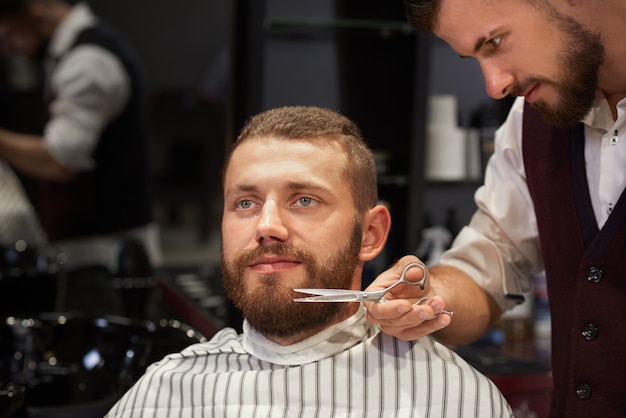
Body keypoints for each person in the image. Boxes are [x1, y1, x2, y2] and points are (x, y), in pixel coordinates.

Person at [104, 106, 513, 417]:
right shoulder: (165, 393)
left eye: (304, 200)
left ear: (370, 234)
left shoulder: (452, 398)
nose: (267, 226)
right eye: (245, 203)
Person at [364, 0, 626, 416]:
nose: (494, 86)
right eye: (474, 58)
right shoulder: (530, 123)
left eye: (496, 42)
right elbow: (491, 263)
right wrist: (429, 296)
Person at [0, 0, 160, 316]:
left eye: (11, 34)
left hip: (102, 259)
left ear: (36, 13)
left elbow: (59, 160)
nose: (10, 47)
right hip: (87, 251)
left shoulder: (88, 61)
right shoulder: (72, 52)